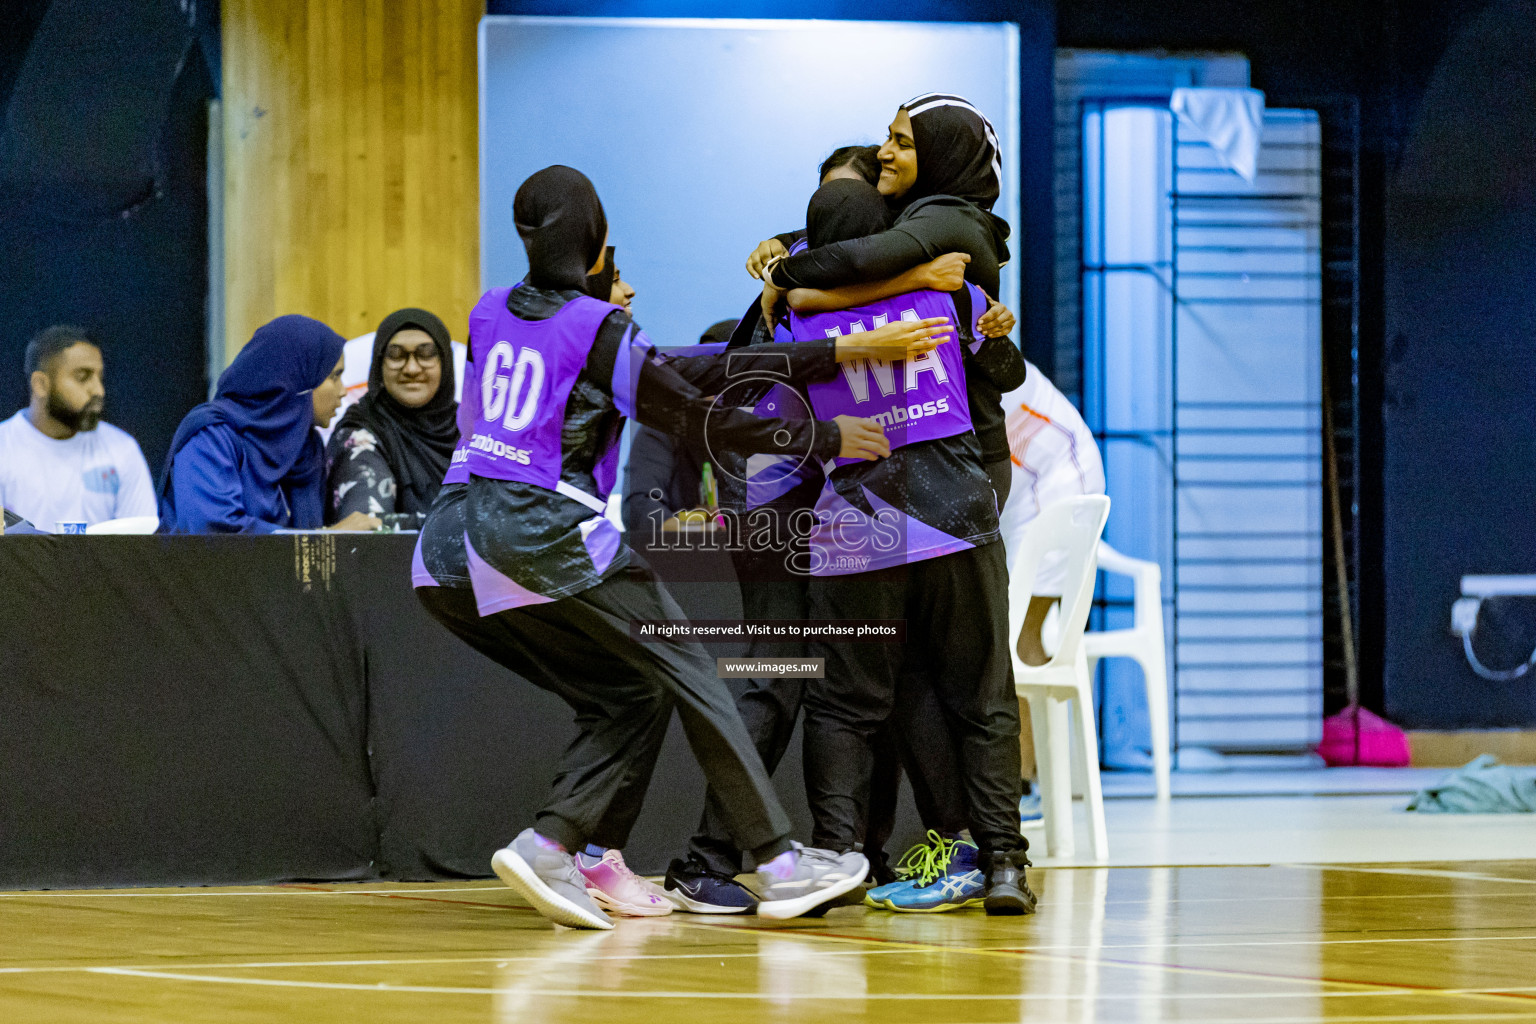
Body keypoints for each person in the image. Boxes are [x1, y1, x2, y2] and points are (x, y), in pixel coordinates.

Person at [410, 166, 949, 930]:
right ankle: (778, 861)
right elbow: (698, 412)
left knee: (629, 691)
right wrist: (821, 432)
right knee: (690, 666)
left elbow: (700, 365)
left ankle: (560, 845)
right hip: (539, 526)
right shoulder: (595, 328)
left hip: (444, 544)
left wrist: (831, 355)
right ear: (596, 248)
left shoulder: (491, 311)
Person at [779, 179, 1033, 916]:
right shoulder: (951, 300)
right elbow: (1008, 373)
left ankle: (836, 861)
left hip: (858, 523)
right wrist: (990, 324)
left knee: (844, 705)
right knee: (984, 698)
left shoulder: (799, 321)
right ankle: (1004, 865)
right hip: (953, 511)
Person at [159, 315, 380, 534]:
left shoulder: (306, 446)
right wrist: (323, 539)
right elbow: (213, 534)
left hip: (279, 571)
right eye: (335, 376)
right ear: (296, 381)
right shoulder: (211, 436)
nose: (343, 391)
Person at [0, 325, 156, 531]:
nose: (98, 391)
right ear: (41, 385)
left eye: (100, 378)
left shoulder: (122, 449)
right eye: (83, 377)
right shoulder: (4, 446)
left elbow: (142, 546)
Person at [325, 309, 458, 527]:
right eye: (396, 355)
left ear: (445, 362)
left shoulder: (471, 429)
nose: (412, 368)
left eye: (425, 354)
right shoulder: (359, 432)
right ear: (379, 364)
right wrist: (477, 528)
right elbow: (366, 527)